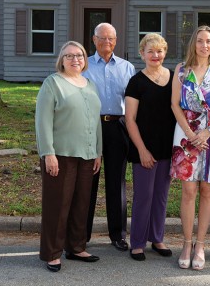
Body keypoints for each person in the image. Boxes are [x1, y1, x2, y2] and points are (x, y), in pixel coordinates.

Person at [35, 41, 103, 273]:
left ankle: (76, 247)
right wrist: (48, 153)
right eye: (70, 56)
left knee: (81, 203)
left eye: (80, 55)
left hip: (87, 154)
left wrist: (98, 152)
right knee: (57, 204)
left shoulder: (90, 84)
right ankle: (52, 253)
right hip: (60, 155)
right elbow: (43, 121)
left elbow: (96, 121)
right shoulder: (52, 84)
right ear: (61, 60)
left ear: (85, 59)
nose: (75, 59)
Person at [170, 25, 210, 271]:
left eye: (209, 41)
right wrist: (189, 133)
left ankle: (201, 245)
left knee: (207, 190)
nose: (204, 45)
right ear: (193, 44)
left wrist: (208, 130)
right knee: (188, 191)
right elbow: (175, 104)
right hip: (185, 134)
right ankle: (186, 243)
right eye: (200, 41)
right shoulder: (181, 71)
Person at [83, 22, 135, 251]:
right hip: (89, 127)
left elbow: (133, 103)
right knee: (87, 182)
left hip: (117, 127)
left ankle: (118, 235)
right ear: (94, 40)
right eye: (102, 38)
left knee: (117, 183)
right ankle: (81, 234)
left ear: (116, 41)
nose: (107, 42)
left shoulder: (127, 68)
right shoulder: (83, 65)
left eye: (111, 38)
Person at [124, 33, 176, 262]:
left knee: (161, 196)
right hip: (144, 148)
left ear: (165, 53)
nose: (156, 55)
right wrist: (142, 150)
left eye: (160, 51)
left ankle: (157, 238)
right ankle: (137, 242)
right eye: (150, 51)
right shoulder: (136, 82)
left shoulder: (175, 78)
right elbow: (130, 119)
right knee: (143, 196)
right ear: (142, 53)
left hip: (168, 147)